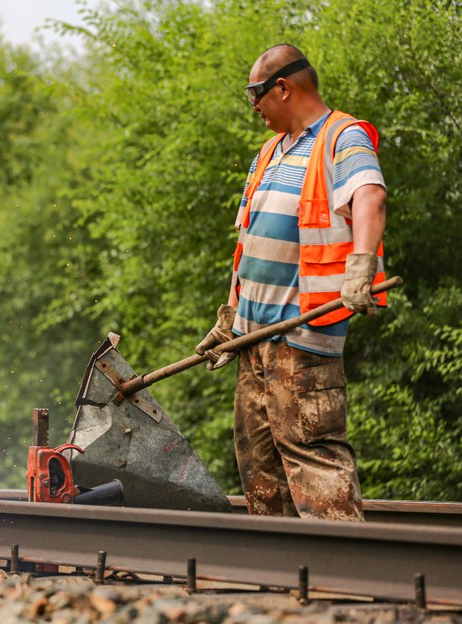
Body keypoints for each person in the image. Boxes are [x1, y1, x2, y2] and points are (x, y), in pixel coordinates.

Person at [196, 44, 387, 521]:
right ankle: (284, 577)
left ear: (282, 87)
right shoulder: (268, 152)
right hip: (254, 340)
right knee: (260, 470)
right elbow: (250, 246)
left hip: (303, 338)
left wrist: (362, 264)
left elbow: (369, 195)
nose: (254, 107)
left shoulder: (342, 137)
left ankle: (343, 576)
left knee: (313, 460)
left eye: (254, 95)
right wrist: (230, 320)